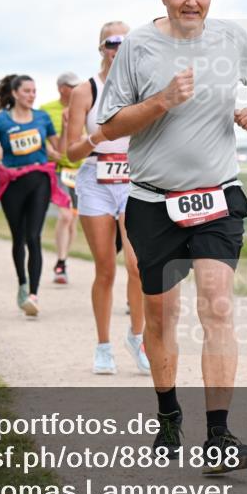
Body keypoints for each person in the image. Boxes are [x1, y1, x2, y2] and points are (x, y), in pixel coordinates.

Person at [97, 0, 247, 474]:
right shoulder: (138, 46)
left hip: (218, 197)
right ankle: (168, 415)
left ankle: (218, 436)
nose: (192, 2)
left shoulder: (230, 38)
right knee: (161, 314)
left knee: (217, 306)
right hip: (153, 201)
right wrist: (160, 102)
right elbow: (107, 127)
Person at [66, 21, 150, 376]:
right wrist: (99, 137)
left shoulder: (142, 87)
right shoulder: (85, 91)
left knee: (138, 267)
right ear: (101, 47)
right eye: (113, 42)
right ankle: (103, 346)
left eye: (126, 42)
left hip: (133, 180)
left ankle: (137, 337)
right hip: (95, 179)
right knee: (104, 269)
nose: (119, 48)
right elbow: (69, 152)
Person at [0, 74, 69, 315]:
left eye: (34, 91)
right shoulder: (0, 122)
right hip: (12, 184)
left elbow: (58, 153)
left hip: (39, 179)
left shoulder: (42, 118)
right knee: (18, 238)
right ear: (16, 93)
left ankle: (34, 295)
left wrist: (67, 128)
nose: (32, 95)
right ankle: (22, 285)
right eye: (27, 91)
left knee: (34, 236)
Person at [38, 72, 84, 284]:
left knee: (72, 220)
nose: (76, 89)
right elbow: (38, 134)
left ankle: (62, 261)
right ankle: (61, 262)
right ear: (61, 88)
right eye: (71, 86)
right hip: (56, 169)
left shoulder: (85, 105)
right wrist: (47, 149)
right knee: (65, 216)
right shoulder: (46, 110)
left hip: (80, 170)